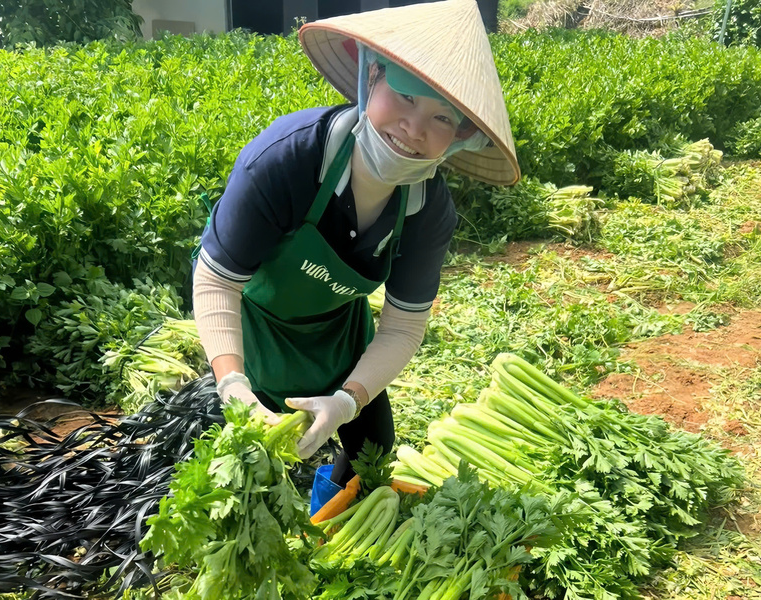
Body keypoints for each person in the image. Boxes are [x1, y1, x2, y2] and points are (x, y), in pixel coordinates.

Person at [192, 0, 520, 487]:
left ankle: (329, 518)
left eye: (443, 119)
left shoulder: (427, 210)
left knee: (373, 457)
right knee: (240, 469)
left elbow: (403, 328)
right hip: (253, 323)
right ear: (373, 76)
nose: (414, 129)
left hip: (335, 334)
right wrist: (233, 384)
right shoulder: (289, 158)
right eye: (406, 97)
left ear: (460, 139)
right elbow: (218, 282)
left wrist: (347, 400)